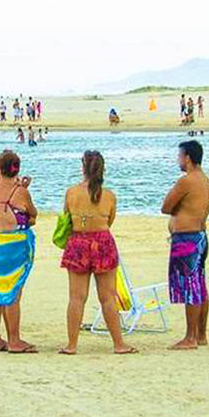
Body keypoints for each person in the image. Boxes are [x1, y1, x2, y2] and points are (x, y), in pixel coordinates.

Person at [59, 151, 135, 355]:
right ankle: (119, 344)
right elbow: (109, 220)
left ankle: (72, 345)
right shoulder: (109, 195)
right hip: (102, 242)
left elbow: (66, 216)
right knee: (108, 297)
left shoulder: (71, 193)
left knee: (76, 297)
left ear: (83, 168)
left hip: (78, 242)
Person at [0, 150, 38, 353]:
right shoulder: (19, 192)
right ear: (17, 169)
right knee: (13, 292)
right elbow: (33, 213)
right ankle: (14, 340)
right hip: (15, 244)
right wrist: (22, 190)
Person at [161, 140, 209, 350]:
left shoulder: (187, 181)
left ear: (188, 158)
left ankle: (190, 336)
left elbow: (166, 206)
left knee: (190, 286)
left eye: (180, 156)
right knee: (199, 284)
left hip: (187, 238)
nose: (178, 160)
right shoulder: (205, 180)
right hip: (200, 236)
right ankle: (200, 334)